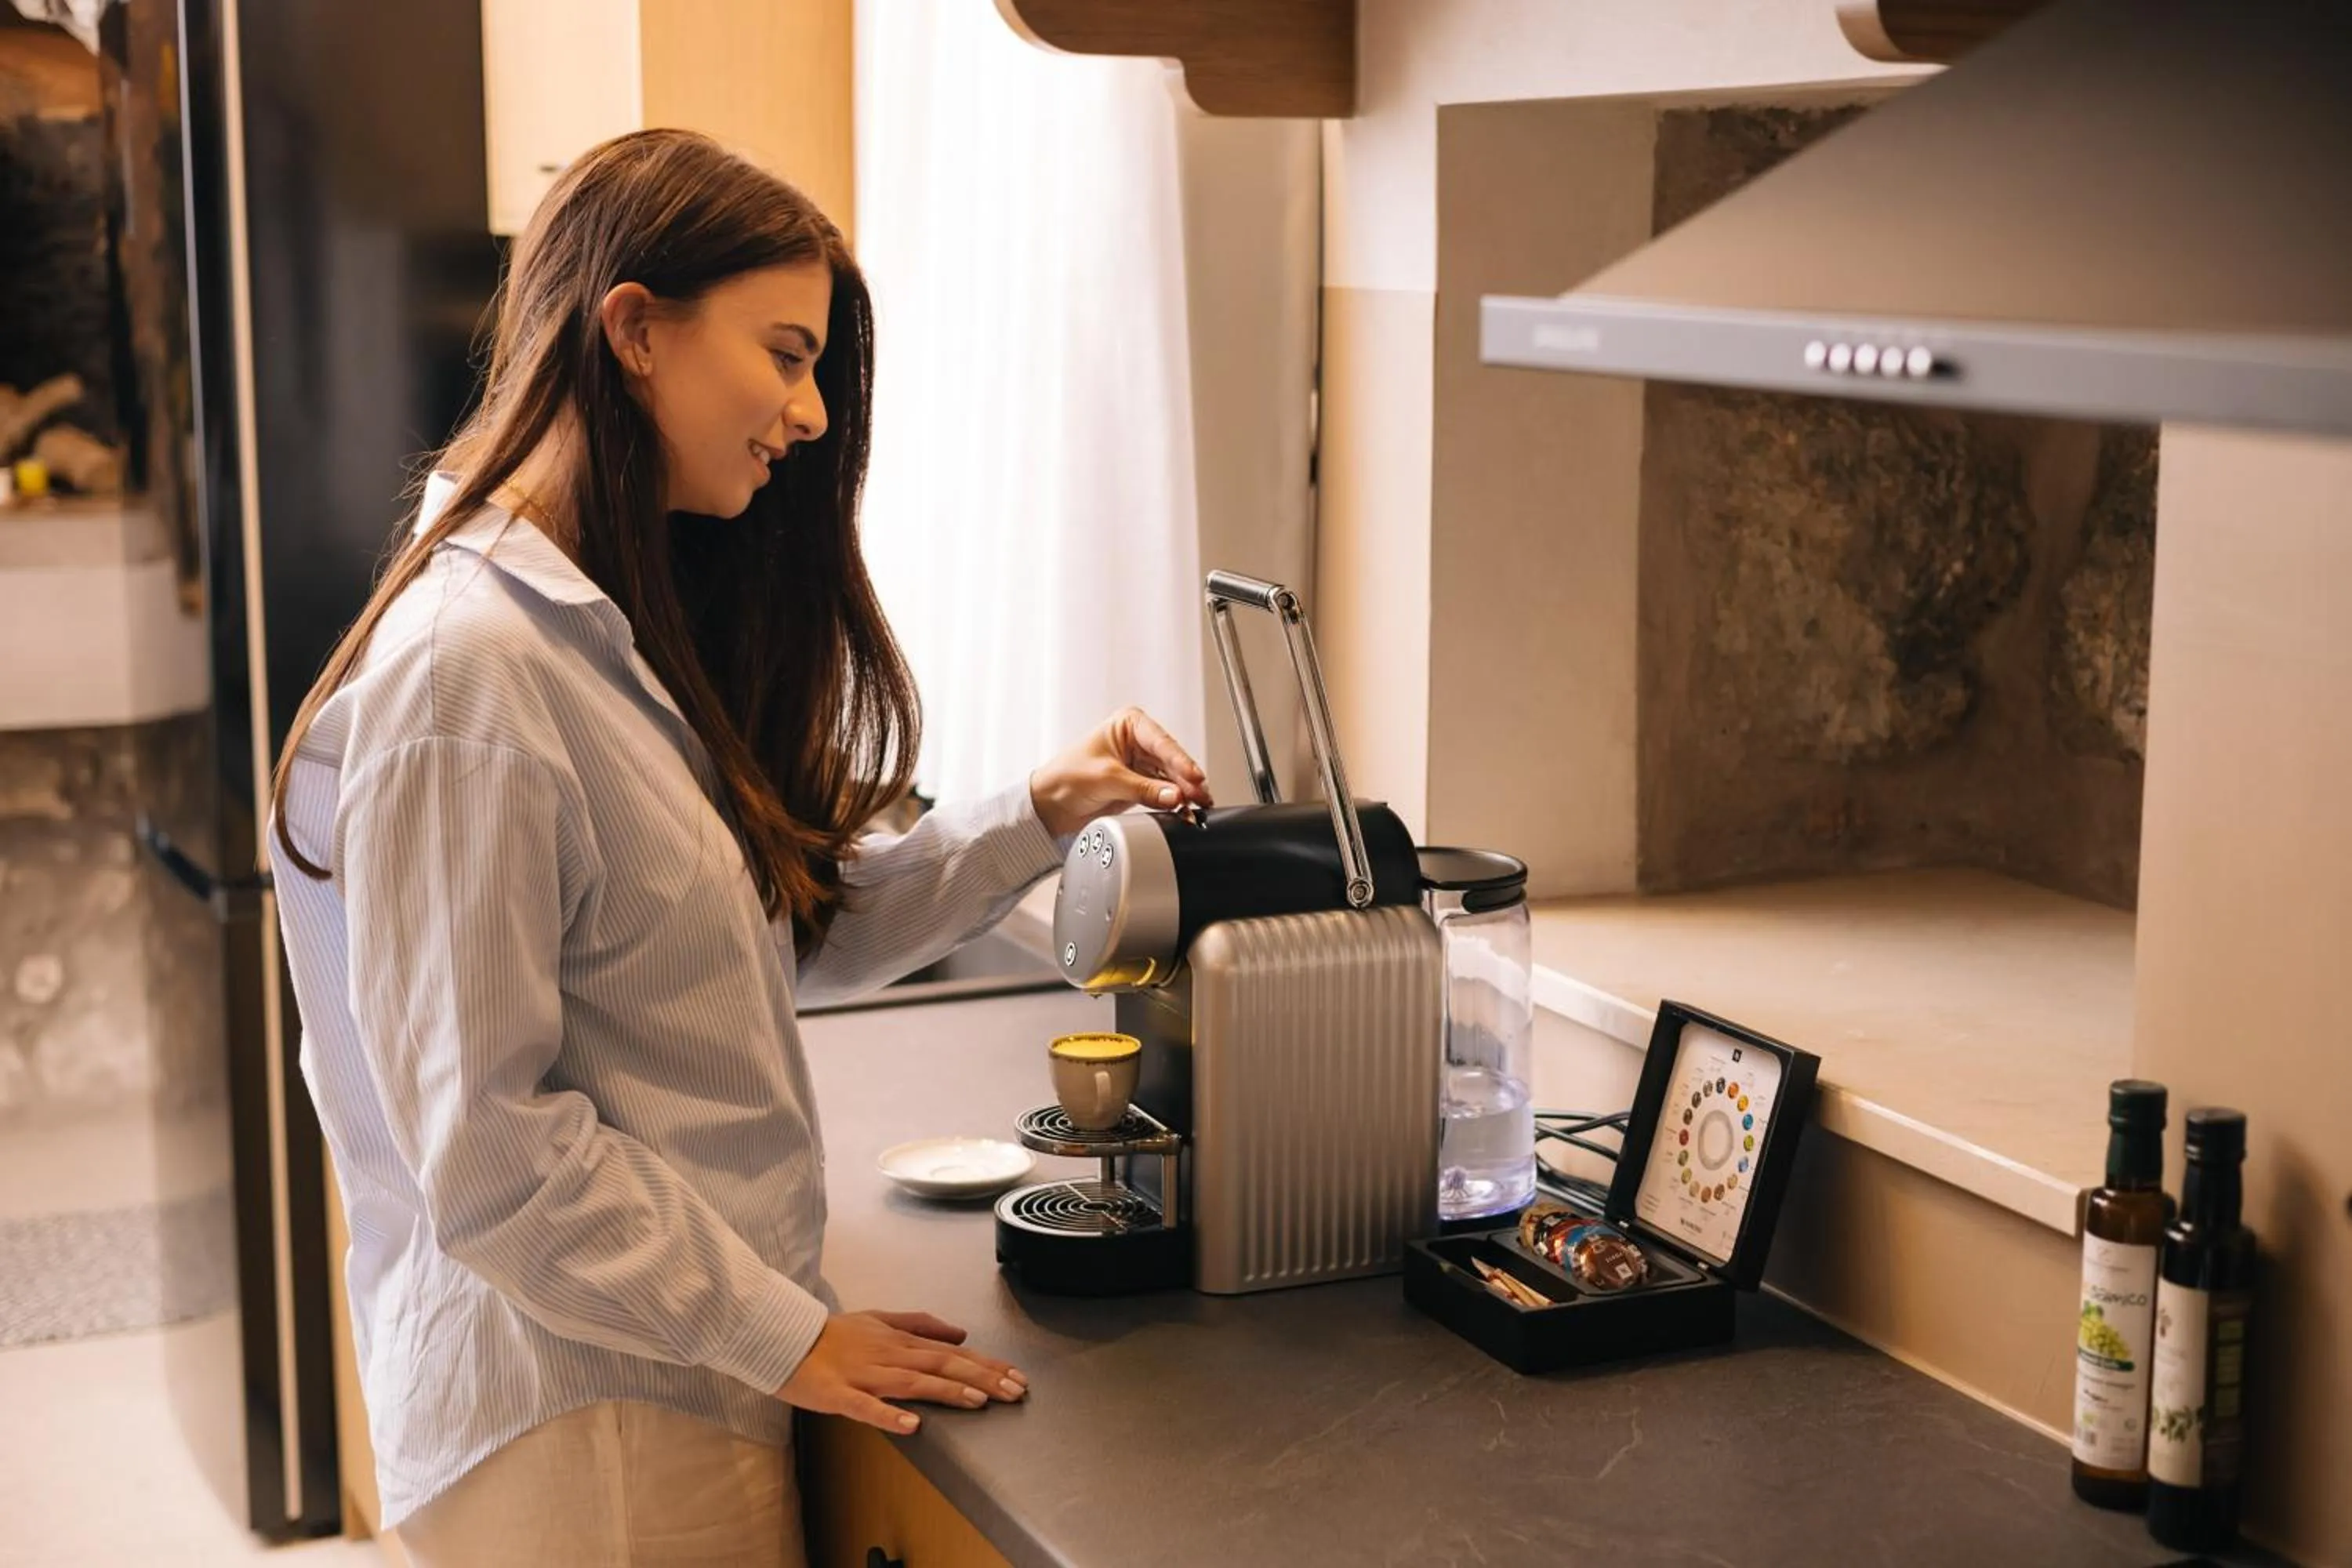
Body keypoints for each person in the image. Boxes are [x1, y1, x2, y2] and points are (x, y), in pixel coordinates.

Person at [267, 129, 1212, 1566]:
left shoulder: (589, 637)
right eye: (784, 353)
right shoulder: (474, 675)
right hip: (587, 1433)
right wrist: (794, 1335)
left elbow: (765, 947)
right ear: (635, 331)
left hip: (649, 1386)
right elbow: (492, 1154)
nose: (814, 411)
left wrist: (1044, 810)